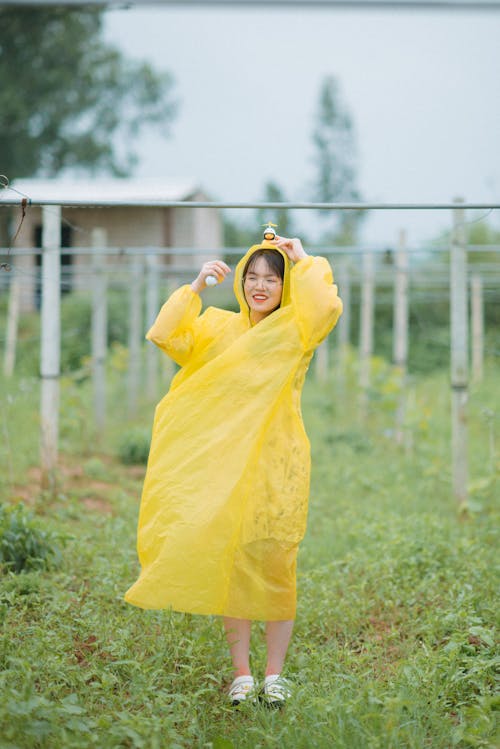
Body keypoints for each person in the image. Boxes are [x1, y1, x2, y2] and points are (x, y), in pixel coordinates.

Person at [124, 234, 343, 707]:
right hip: (225, 466)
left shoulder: (298, 330)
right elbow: (166, 335)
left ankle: (275, 676)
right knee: (233, 565)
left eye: (271, 279)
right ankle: (241, 674)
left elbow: (326, 306)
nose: (260, 286)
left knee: (277, 564)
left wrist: (303, 258)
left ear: (286, 287)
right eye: (252, 276)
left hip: (277, 464)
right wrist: (196, 287)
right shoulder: (219, 328)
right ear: (241, 281)